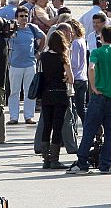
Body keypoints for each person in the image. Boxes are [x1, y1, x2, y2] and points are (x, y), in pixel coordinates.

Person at [67, 25, 111, 175]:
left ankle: (82, 163)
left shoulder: (96, 52)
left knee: (89, 130)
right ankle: (105, 164)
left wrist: (94, 86)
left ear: (101, 37)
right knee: (110, 133)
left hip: (99, 97)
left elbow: (91, 67)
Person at [38, 31, 74, 169]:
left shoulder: (44, 56)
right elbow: (71, 78)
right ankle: (55, 159)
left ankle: (46, 159)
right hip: (60, 93)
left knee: (47, 125)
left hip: (46, 93)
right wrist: (65, 76)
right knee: (57, 126)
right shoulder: (63, 57)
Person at [7, 7, 45, 125]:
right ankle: (14, 116)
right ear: (16, 17)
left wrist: (38, 52)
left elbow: (43, 37)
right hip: (15, 64)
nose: (23, 18)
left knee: (30, 91)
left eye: (25, 16)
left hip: (30, 64)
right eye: (21, 16)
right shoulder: (13, 29)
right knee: (14, 91)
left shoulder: (33, 28)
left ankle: (29, 116)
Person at [68, 19, 88, 122]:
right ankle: (94, 128)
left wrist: (66, 68)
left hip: (76, 77)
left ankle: (89, 127)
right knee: (81, 107)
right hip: (83, 77)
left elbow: (74, 63)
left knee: (75, 108)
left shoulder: (75, 43)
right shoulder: (82, 41)